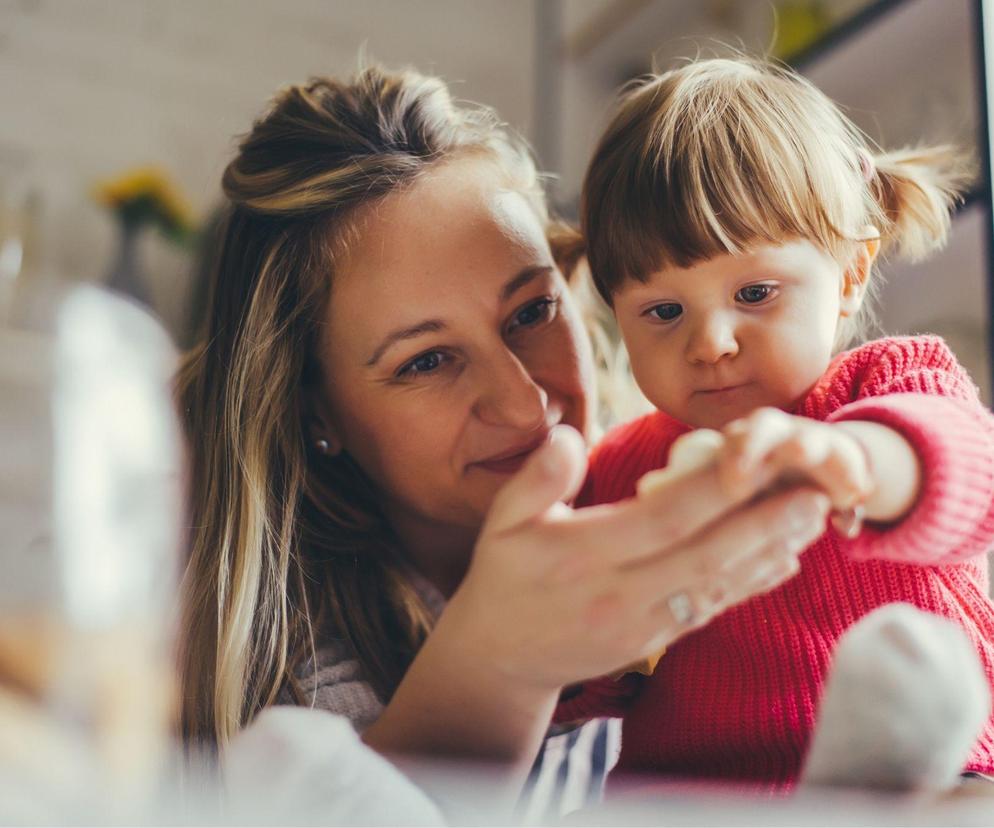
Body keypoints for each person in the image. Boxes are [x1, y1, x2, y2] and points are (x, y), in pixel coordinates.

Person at [174, 64, 833, 817]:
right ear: (315, 413)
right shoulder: (276, 670)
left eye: (530, 313)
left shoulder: (687, 475)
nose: (526, 405)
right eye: (426, 361)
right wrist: (506, 658)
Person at [553, 56, 994, 789]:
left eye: (755, 292)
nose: (711, 343)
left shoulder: (887, 385)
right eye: (664, 312)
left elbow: (972, 474)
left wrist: (852, 456)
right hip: (695, 794)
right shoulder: (622, 470)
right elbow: (579, 681)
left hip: (923, 774)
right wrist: (594, 649)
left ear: (850, 273)